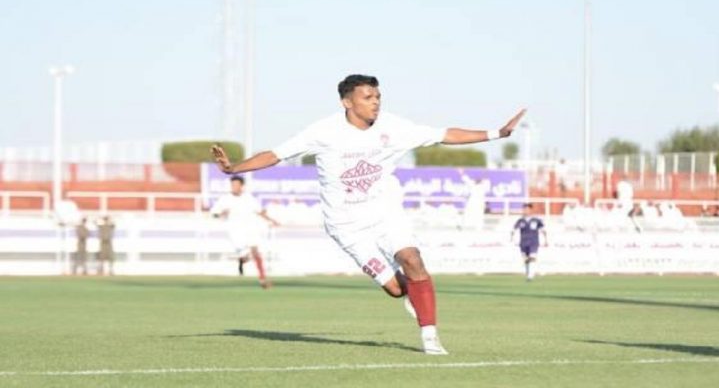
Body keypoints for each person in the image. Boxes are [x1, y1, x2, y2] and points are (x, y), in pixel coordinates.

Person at [211, 74, 526, 355]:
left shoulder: (393, 127)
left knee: (412, 258)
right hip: (346, 225)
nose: (375, 102)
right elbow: (275, 155)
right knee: (395, 289)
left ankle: (430, 336)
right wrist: (233, 168)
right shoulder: (323, 132)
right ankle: (411, 295)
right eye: (368, 97)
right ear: (347, 102)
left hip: (385, 212)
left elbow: (444, 134)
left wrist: (496, 133)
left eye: (378, 96)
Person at [210, 175, 279, 289]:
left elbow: (260, 211)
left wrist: (272, 220)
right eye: (232, 185)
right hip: (235, 232)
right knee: (245, 256)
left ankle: (262, 279)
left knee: (255, 252)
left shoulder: (249, 198)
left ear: (242, 186)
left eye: (236, 185)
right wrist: (222, 213)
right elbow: (214, 213)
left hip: (250, 229)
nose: (234, 187)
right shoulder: (225, 199)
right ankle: (242, 260)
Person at [512, 203, 547, 281]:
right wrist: (512, 239)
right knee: (526, 260)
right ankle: (528, 273)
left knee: (532, 257)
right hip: (523, 243)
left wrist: (546, 240)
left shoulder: (536, 220)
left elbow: (543, 230)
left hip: (533, 242)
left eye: (527, 209)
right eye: (524, 209)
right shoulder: (520, 220)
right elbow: (514, 230)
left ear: (531, 210)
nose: (525, 211)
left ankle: (530, 275)